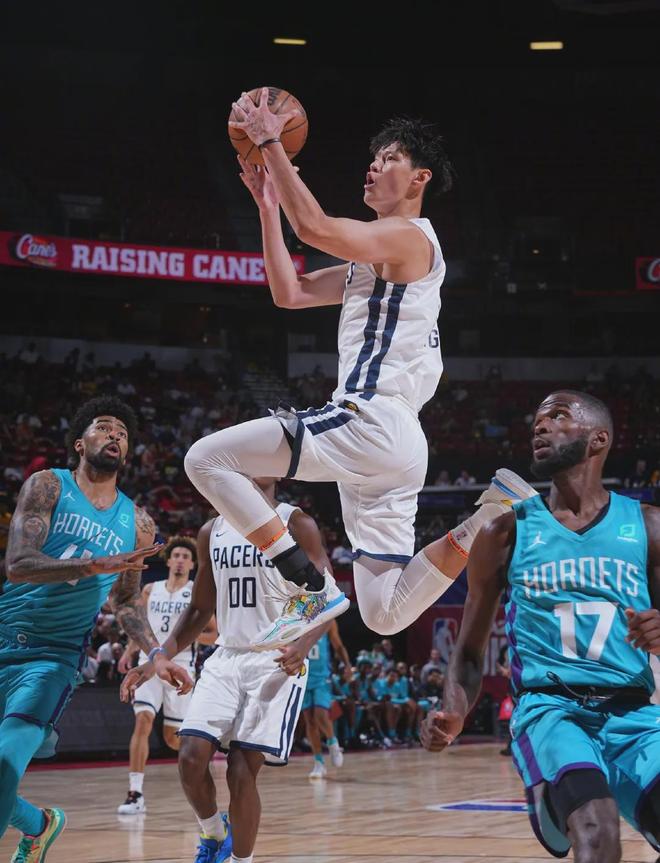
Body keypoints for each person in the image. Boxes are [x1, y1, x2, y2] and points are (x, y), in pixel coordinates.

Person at [185, 101, 537, 649]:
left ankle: (305, 585)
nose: (374, 165)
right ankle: (488, 515)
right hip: (397, 444)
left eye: (390, 158)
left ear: (419, 178)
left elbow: (315, 227)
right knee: (385, 613)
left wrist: (271, 143)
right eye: (373, 157)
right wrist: (267, 207)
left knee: (205, 459)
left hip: (370, 418)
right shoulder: (372, 261)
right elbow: (289, 292)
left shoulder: (410, 237)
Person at [421, 390, 660, 862]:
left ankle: (551, 796)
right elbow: (468, 652)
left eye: (559, 416)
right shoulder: (505, 533)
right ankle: (552, 791)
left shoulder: (648, 527)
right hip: (552, 709)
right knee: (598, 830)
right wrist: (453, 711)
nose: (541, 425)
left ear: (598, 439)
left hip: (634, 713)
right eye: (538, 419)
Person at [0, 396, 192, 862]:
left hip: (52, 657)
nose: (115, 436)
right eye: (104, 427)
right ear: (79, 443)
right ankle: (40, 825)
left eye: (122, 433)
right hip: (5, 634)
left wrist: (156, 654)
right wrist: (90, 566)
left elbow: (125, 602)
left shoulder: (138, 524)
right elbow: (18, 565)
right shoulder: (48, 486)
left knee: (5, 763)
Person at [121, 477, 332, 863]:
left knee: (239, 770)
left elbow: (326, 597)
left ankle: (241, 860)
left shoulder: (296, 522)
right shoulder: (212, 530)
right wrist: (158, 658)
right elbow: (200, 608)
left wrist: (302, 645)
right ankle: (214, 835)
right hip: (226, 656)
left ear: (278, 471)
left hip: (274, 660)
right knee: (189, 756)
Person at [117, 535, 218, 815]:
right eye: (177, 556)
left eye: (186, 557)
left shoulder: (195, 593)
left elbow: (213, 633)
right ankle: (135, 793)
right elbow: (140, 626)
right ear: (169, 561)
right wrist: (128, 652)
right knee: (143, 721)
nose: (181, 560)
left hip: (180, 666)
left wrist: (187, 639)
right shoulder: (151, 589)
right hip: (148, 663)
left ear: (192, 565)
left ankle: (203, 774)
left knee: (175, 740)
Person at [302, 619, 351, 778]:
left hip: (322, 676)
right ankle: (318, 763)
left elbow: (338, 645)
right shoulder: (297, 618)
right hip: (303, 676)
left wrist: (347, 665)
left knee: (320, 714)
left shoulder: (328, 619)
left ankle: (332, 743)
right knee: (310, 721)